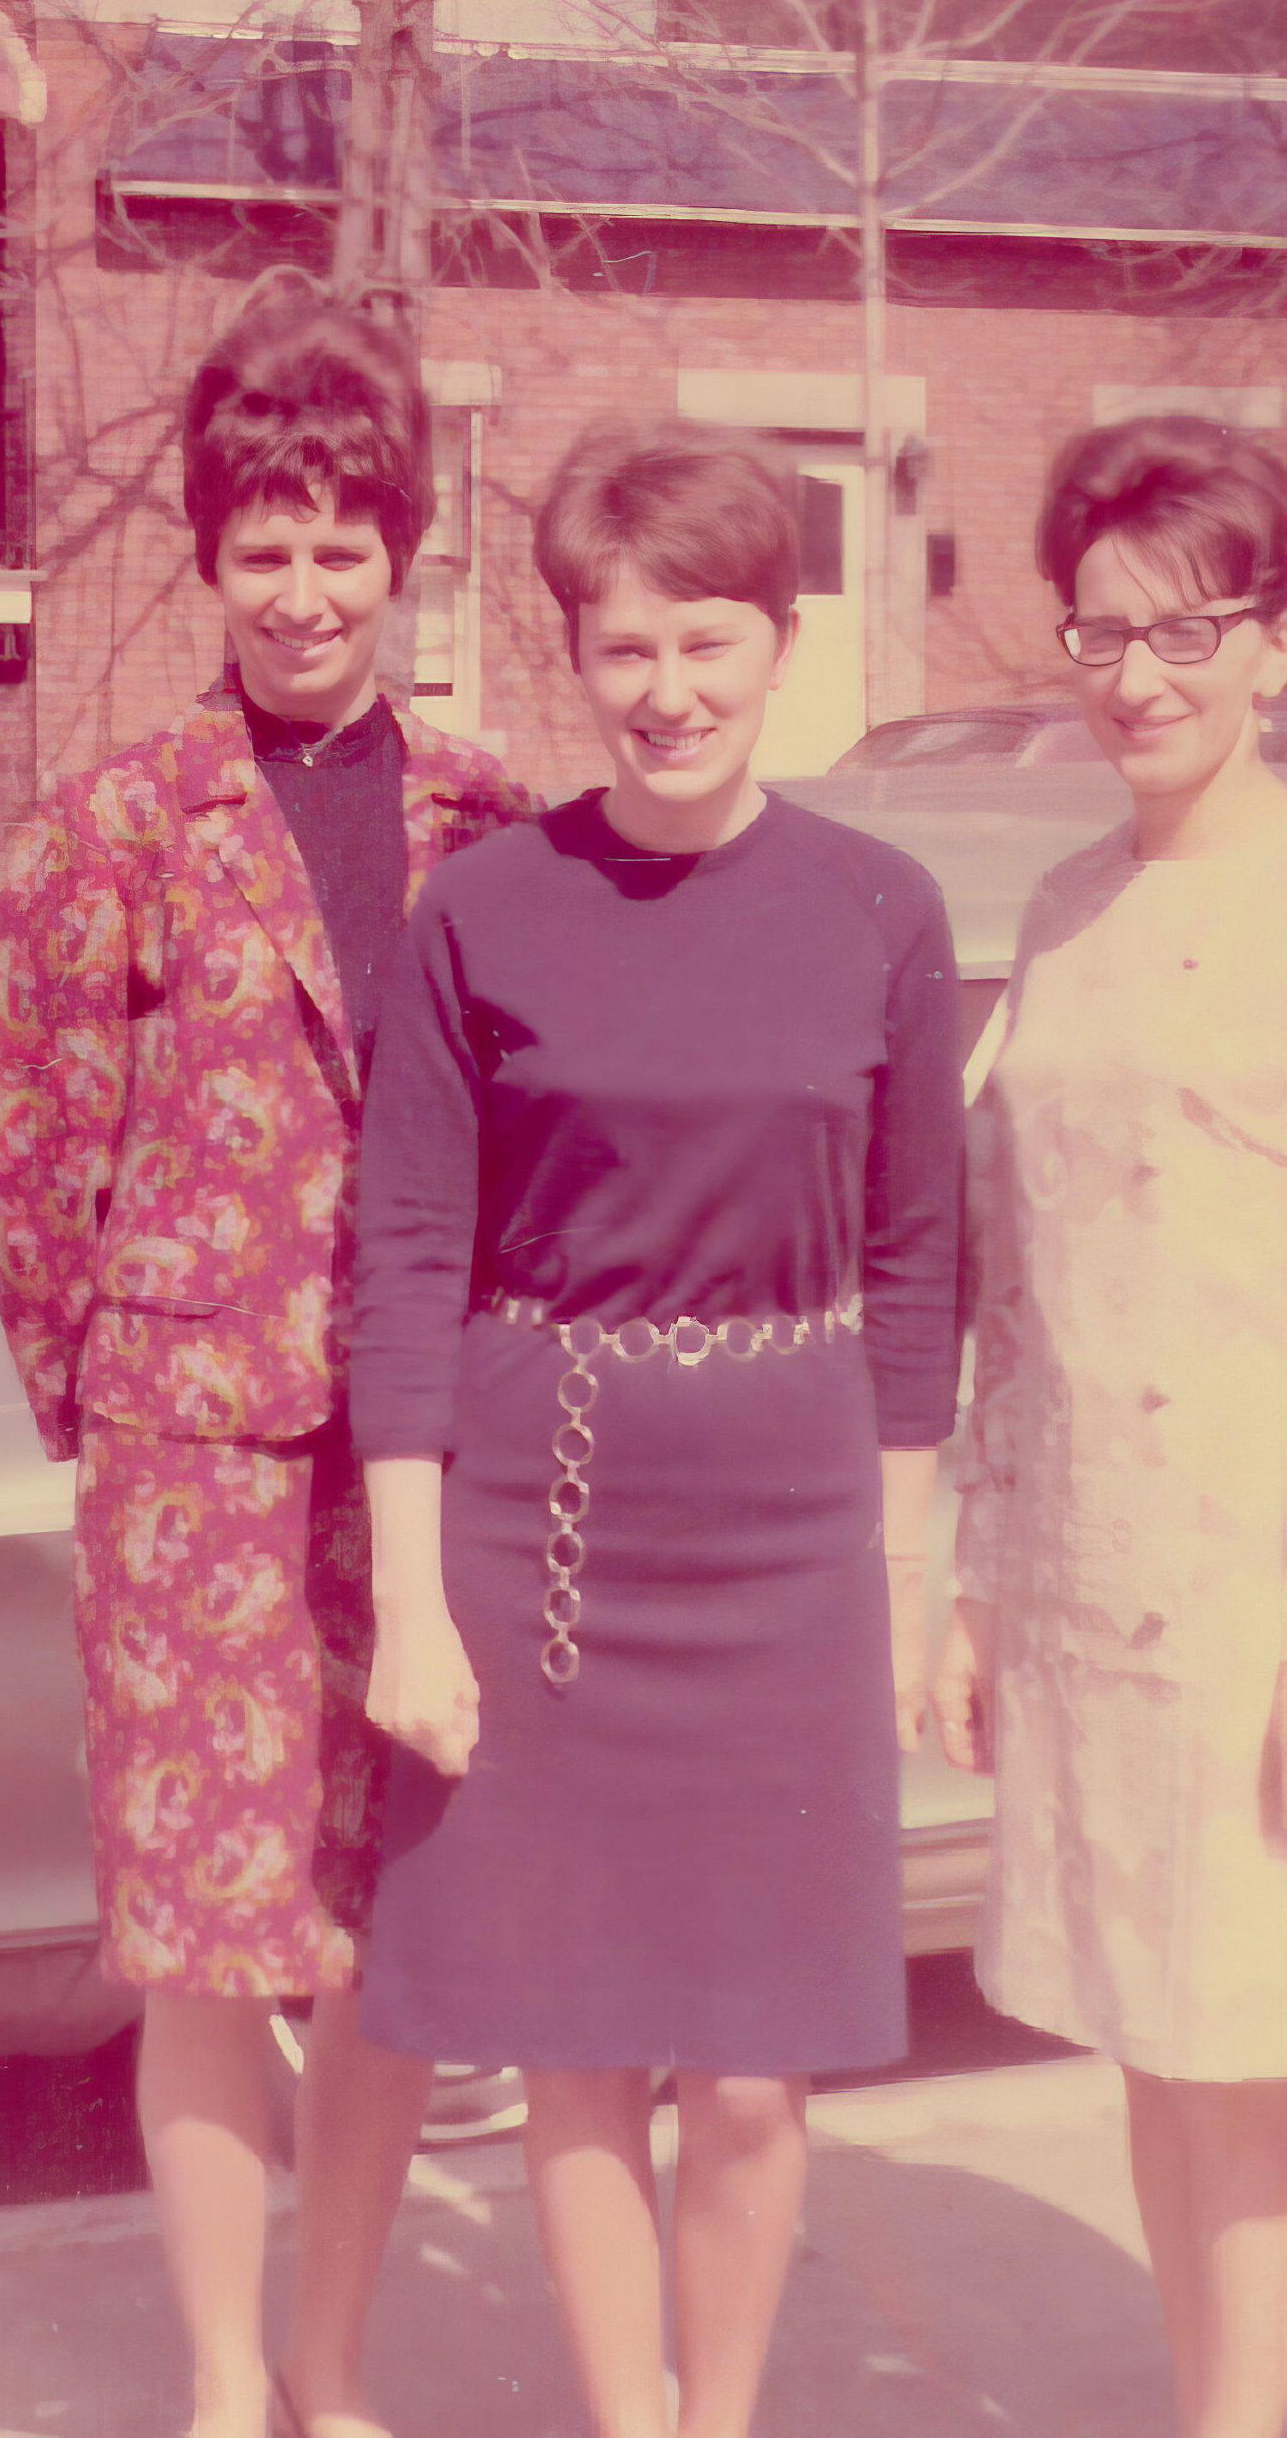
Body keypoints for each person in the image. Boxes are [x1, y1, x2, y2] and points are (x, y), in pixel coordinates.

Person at [344, 423, 966, 2438]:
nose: (669, 691)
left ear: (779, 640)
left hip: (785, 1528)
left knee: (761, 2061)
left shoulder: (878, 905)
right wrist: (416, 1601)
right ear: (571, 662)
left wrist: (908, 1567)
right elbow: (409, 1257)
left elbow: (916, 1271)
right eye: (625, 652)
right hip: (546, 1516)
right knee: (577, 2041)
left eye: (709, 641)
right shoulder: (482, 911)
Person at [0, 284, 534, 2438]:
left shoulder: (490, 820)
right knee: (211, 1943)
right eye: (261, 549)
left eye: (341, 546)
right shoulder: (114, 830)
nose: (303, 592)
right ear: (207, 562)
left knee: (393, 1928)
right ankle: (225, 2379)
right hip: (192, 1466)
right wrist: (109, 1408)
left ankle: (333, 2357)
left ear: (400, 553)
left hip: (420, 1467)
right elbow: (32, 1155)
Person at [930, 416, 1287, 2438]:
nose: (1135, 678)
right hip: (1083, 1569)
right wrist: (977, 1577)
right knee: (1146, 2039)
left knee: (1241, 2048)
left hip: (1259, 1593)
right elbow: (1011, 1277)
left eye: (1184, 632)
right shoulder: (1062, 905)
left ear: (1275, 647)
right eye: (1098, 634)